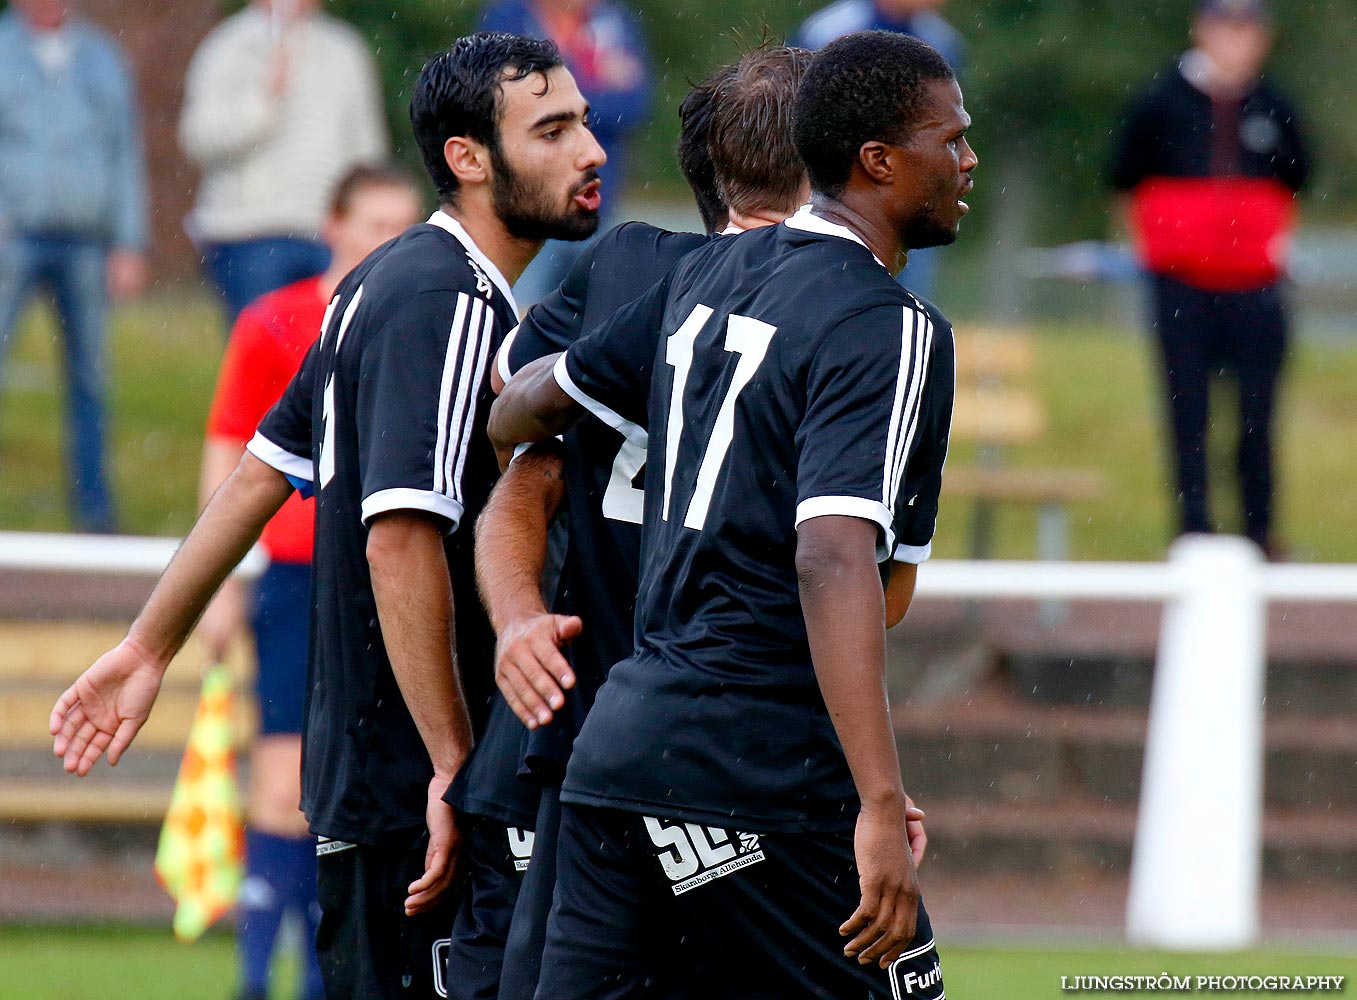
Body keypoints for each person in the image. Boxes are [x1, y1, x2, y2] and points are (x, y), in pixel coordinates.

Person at [51, 32, 606, 1000]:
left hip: (372, 781)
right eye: (552, 129)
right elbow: (397, 536)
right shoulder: (444, 298)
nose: (590, 152)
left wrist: (148, 647)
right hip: (413, 794)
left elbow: (264, 473)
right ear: (468, 159)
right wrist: (448, 765)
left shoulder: (382, 286)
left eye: (585, 124)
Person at [488, 29, 971, 999]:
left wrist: (546, 384)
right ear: (876, 160)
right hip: (756, 762)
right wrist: (875, 795)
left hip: (617, 745)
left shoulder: (701, 278)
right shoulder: (892, 325)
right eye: (950, 139)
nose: (967, 160)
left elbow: (517, 410)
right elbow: (845, 569)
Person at [463, 46, 833, 1000]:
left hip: (598, 740)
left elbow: (518, 447)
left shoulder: (630, 262)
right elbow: (862, 586)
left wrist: (514, 616)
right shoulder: (843, 317)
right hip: (734, 757)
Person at [198, 163, 421, 1000]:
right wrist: (222, 581)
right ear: (332, 226)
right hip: (296, 574)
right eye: (372, 223)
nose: (386, 242)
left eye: (403, 225)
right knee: (281, 775)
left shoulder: (423, 318)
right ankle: (258, 978)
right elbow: (230, 447)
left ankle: (334, 974)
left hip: (385, 573)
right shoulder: (274, 320)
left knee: (365, 772)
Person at [1110, 0, 1309, 556]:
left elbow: (1296, 179)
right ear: (1203, 30)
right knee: (1187, 407)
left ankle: (1259, 531)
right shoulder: (1160, 101)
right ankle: (1193, 528)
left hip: (1256, 285)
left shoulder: (1273, 103)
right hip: (1181, 285)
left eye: (1247, 29)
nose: (1236, 41)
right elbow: (1126, 177)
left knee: (1256, 411)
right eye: (1226, 27)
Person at [0, 0, 148, 534]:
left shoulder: (102, 59)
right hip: (12, 236)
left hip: (86, 240)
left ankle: (94, 512)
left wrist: (129, 242)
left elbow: (124, 151)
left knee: (90, 377)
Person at [179, 0, 388, 325]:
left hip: (328, 233)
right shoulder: (228, 46)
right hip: (249, 233)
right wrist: (262, 103)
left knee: (331, 351)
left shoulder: (345, 50)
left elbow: (365, 147)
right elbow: (198, 139)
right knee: (263, 352)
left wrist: (367, 216)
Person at [480, 0, 650, 306]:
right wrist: (594, 81)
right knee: (513, 312)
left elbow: (635, 105)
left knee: (591, 319)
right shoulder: (510, 18)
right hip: (528, 204)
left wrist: (553, 97)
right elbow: (498, 105)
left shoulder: (612, 20)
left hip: (597, 199)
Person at [794, 0, 963, 304]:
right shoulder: (829, 31)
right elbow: (800, 119)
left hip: (912, 189)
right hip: (840, 191)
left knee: (906, 297)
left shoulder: (944, 42)